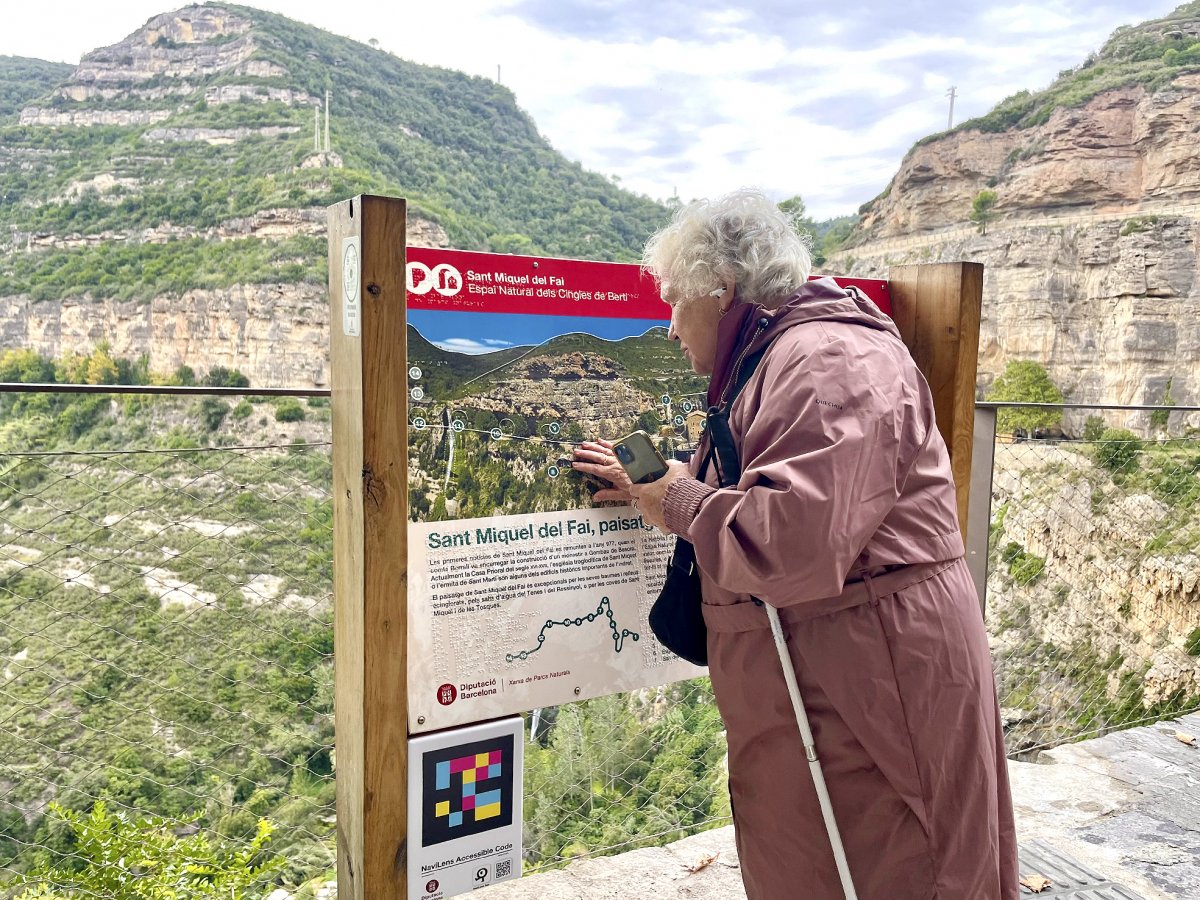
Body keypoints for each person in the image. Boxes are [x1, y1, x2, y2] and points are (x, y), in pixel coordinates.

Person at [573, 189, 1018, 899]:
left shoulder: (829, 360)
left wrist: (677, 499)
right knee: (828, 858)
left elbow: (798, 541)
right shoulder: (786, 356)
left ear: (721, 290)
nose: (668, 328)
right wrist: (668, 486)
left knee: (898, 863)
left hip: (867, 685)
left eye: (674, 302)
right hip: (834, 677)